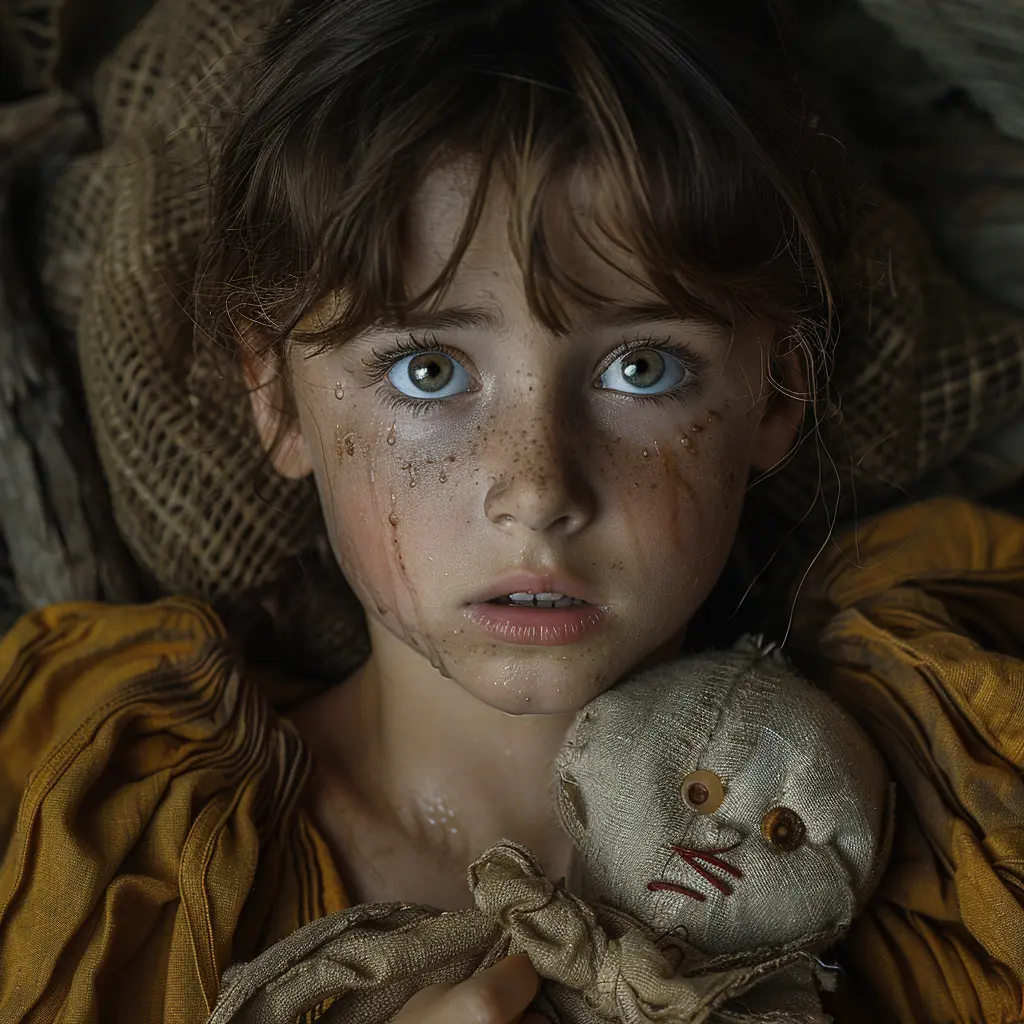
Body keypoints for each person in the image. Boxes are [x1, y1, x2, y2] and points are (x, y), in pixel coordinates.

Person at [0, 1, 1022, 1022]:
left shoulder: (954, 811)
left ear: (777, 391)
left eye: (642, 365)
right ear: (273, 394)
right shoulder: (100, 831)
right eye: (428, 368)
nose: (538, 489)